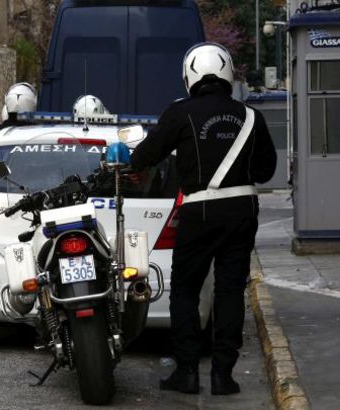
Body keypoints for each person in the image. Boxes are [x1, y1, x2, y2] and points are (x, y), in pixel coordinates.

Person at [129, 42, 276, 395]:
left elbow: (147, 154)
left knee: (185, 290)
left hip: (198, 211)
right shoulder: (252, 117)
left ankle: (188, 372)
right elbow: (266, 169)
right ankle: (224, 376)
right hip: (242, 210)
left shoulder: (181, 113)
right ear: (227, 73)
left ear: (189, 76)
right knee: (229, 291)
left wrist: (133, 162)